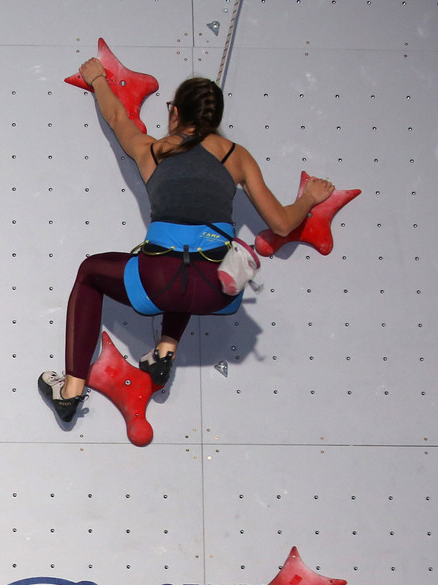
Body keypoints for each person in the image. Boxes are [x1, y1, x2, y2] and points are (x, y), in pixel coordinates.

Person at [38, 61, 336, 422]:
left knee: (94, 272)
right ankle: (164, 350)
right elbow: (283, 223)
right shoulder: (237, 156)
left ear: (175, 113)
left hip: (160, 282)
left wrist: (98, 79)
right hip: (218, 290)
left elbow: (117, 118)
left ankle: (70, 391)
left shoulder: (153, 151)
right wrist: (309, 199)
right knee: (195, 260)